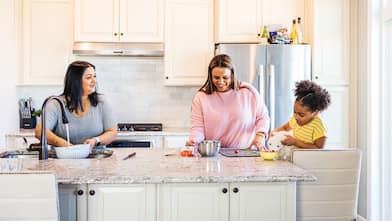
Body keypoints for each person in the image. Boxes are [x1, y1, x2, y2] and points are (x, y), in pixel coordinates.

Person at [186, 54, 270, 150]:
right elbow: (197, 127)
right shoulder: (201, 97)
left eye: (225, 78)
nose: (221, 82)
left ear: (232, 75)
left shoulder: (248, 92)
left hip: (245, 153)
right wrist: (194, 142)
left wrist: (260, 135)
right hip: (214, 153)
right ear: (210, 76)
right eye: (216, 78)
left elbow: (262, 117)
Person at [35, 61, 117, 149]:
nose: (94, 81)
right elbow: (40, 131)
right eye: (89, 77)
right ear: (76, 81)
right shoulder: (55, 104)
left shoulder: (101, 102)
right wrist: (63, 144)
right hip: (64, 159)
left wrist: (95, 140)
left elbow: (112, 132)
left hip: (97, 159)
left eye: (95, 76)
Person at [271, 80, 331, 149]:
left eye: (301, 115)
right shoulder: (295, 120)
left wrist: (296, 142)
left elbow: (319, 148)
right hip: (297, 156)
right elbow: (285, 128)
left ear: (315, 113)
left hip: (310, 158)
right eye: (294, 112)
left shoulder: (318, 126)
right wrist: (274, 132)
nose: (296, 116)